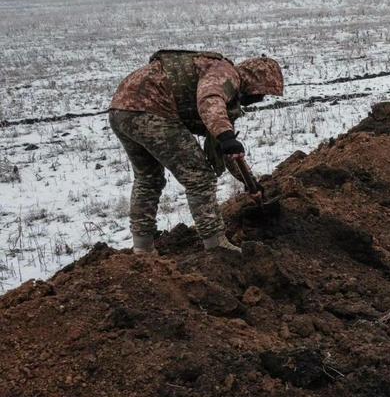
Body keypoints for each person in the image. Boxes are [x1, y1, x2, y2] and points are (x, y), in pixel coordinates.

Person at [108, 50, 284, 255]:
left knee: (148, 178)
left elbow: (227, 151)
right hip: (152, 109)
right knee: (199, 176)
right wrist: (226, 135)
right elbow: (209, 99)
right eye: (261, 93)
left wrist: (250, 183)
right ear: (254, 80)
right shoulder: (226, 73)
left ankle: (143, 247)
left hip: (121, 109)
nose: (259, 99)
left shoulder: (221, 88)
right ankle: (216, 244)